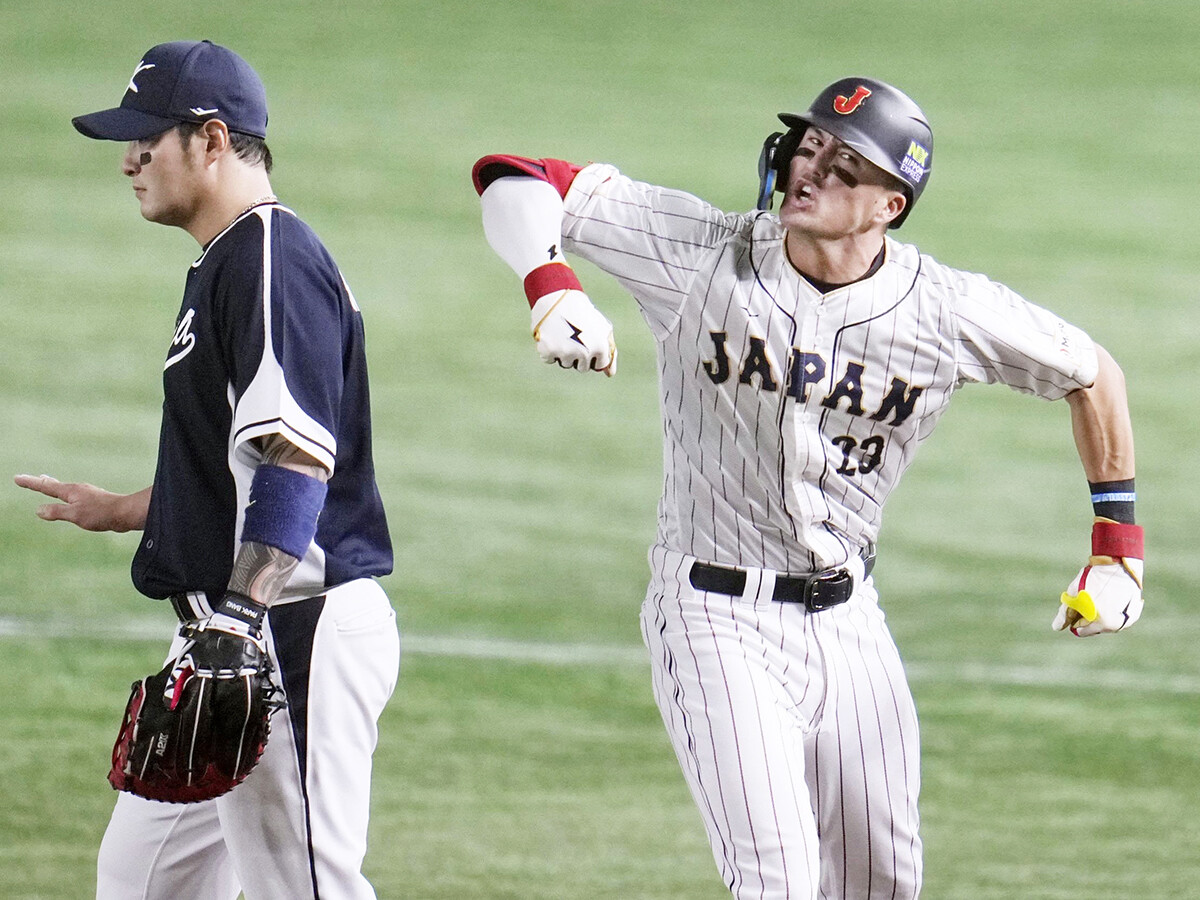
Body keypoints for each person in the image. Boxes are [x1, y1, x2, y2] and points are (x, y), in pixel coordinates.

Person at [470, 77, 1143, 898]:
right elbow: (515, 176)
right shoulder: (701, 252)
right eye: (810, 145)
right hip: (713, 615)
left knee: (883, 883)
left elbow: (1091, 372)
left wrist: (1118, 552)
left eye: (845, 165)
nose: (810, 169)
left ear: (889, 206)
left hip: (852, 627)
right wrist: (550, 284)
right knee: (778, 881)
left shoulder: (942, 310)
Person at [15, 40, 398, 899]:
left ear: (213, 138)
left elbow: (296, 453)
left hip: (288, 625)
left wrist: (236, 624)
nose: (128, 161)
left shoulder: (268, 255)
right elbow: (241, 468)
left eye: (147, 140)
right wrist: (123, 509)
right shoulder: (227, 261)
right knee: (142, 879)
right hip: (231, 631)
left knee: (304, 888)